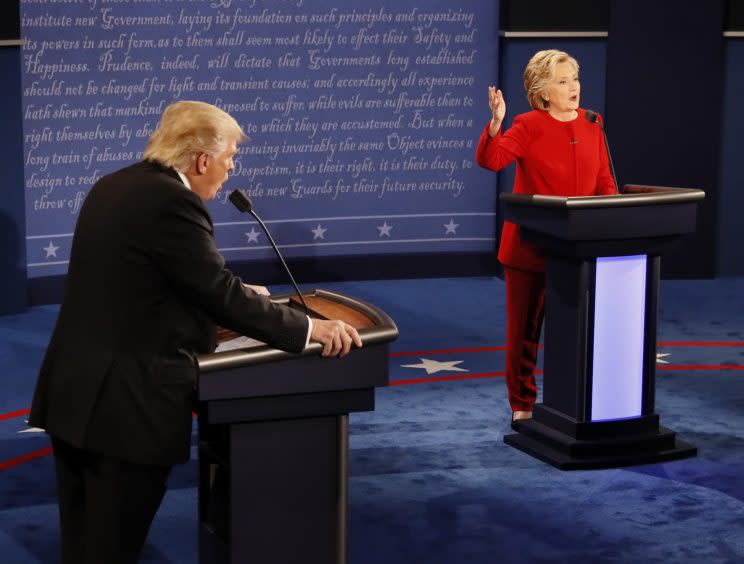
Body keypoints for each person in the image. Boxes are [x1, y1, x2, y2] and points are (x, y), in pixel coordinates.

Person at [29, 100, 362, 564]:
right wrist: (310, 328)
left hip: (76, 396)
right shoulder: (173, 202)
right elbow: (218, 293)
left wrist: (228, 288)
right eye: (229, 159)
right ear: (203, 160)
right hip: (126, 408)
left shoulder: (117, 185)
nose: (230, 171)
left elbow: (139, 278)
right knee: (111, 548)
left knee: (85, 544)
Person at [475, 49, 616, 426]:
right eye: (563, 81)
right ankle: (522, 404)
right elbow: (492, 160)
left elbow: (604, 183)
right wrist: (495, 125)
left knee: (577, 329)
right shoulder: (527, 125)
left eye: (575, 79)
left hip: (580, 249)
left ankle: (574, 401)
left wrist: (617, 222)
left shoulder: (592, 124)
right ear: (543, 91)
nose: (574, 87)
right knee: (525, 333)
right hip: (530, 249)